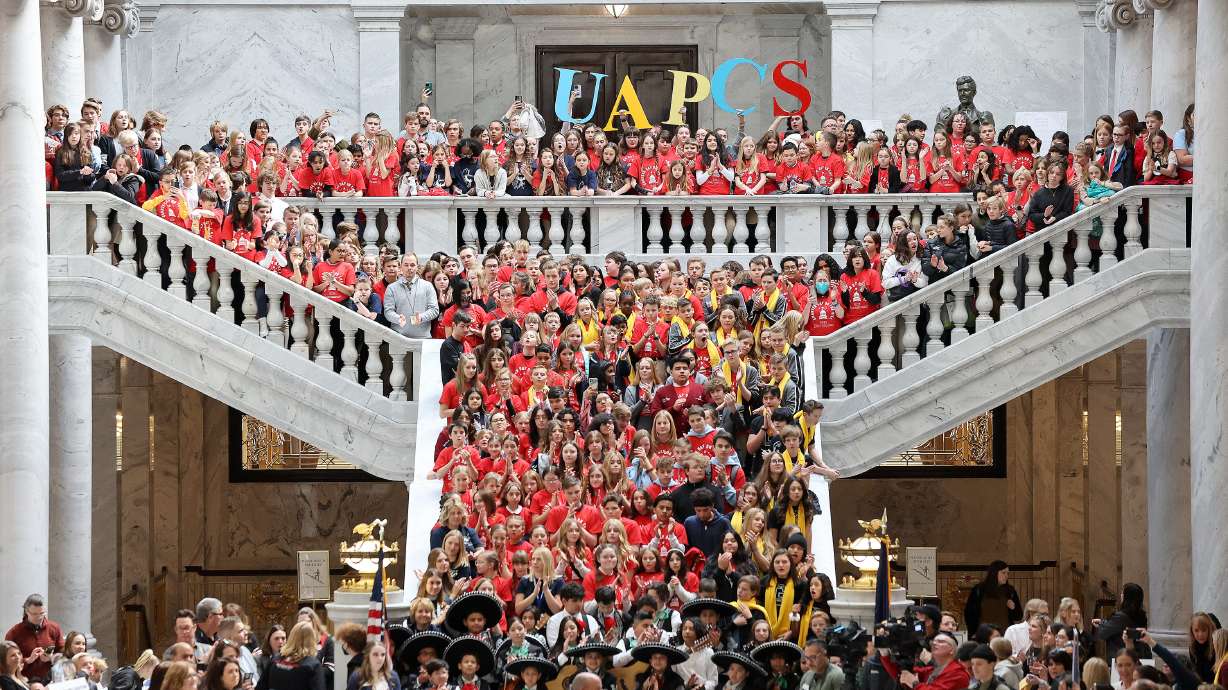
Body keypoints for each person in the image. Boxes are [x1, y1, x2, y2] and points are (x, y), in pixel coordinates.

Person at [4, 595, 64, 686]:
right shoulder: (14, 633)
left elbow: (64, 654)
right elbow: (7, 663)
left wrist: (51, 658)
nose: (39, 617)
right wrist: (28, 660)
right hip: (25, 683)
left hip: (51, 681)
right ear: (26, 611)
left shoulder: (54, 628)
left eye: (42, 613)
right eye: (34, 614)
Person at [256, 622, 325, 690]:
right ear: (312, 639)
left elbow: (260, 687)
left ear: (291, 637)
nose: (280, 641)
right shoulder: (313, 665)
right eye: (276, 638)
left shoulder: (275, 660)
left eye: (283, 638)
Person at [962, 561, 1023, 633]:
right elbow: (969, 614)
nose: (1006, 576)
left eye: (1007, 573)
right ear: (994, 573)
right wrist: (973, 633)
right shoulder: (979, 589)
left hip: (1004, 635)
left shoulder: (1010, 591)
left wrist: (1013, 608)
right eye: (1003, 573)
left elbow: (1018, 616)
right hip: (984, 634)